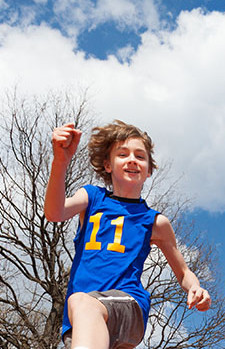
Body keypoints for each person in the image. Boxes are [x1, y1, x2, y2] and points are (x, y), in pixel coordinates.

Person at [44, 120, 211, 349]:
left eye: (140, 157)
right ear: (108, 165)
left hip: (127, 304)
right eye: (123, 154)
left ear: (149, 170)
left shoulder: (154, 221)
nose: (132, 159)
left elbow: (183, 273)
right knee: (83, 308)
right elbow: (55, 212)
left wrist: (195, 288)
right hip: (81, 318)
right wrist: (60, 161)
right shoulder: (92, 198)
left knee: (82, 302)